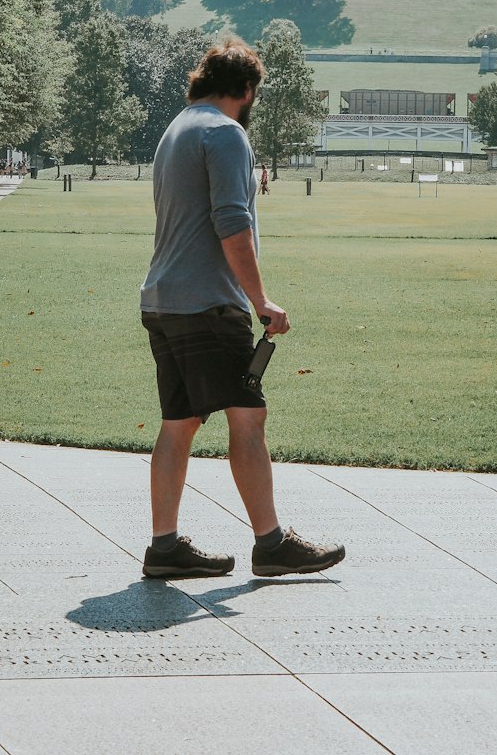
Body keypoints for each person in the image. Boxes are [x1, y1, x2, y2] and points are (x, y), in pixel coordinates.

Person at [139, 38, 345, 582]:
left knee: (179, 423)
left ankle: (164, 547)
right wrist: (261, 301)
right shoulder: (226, 133)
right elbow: (232, 222)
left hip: (162, 300)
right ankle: (272, 544)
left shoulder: (178, 128)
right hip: (207, 303)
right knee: (249, 417)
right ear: (247, 89)